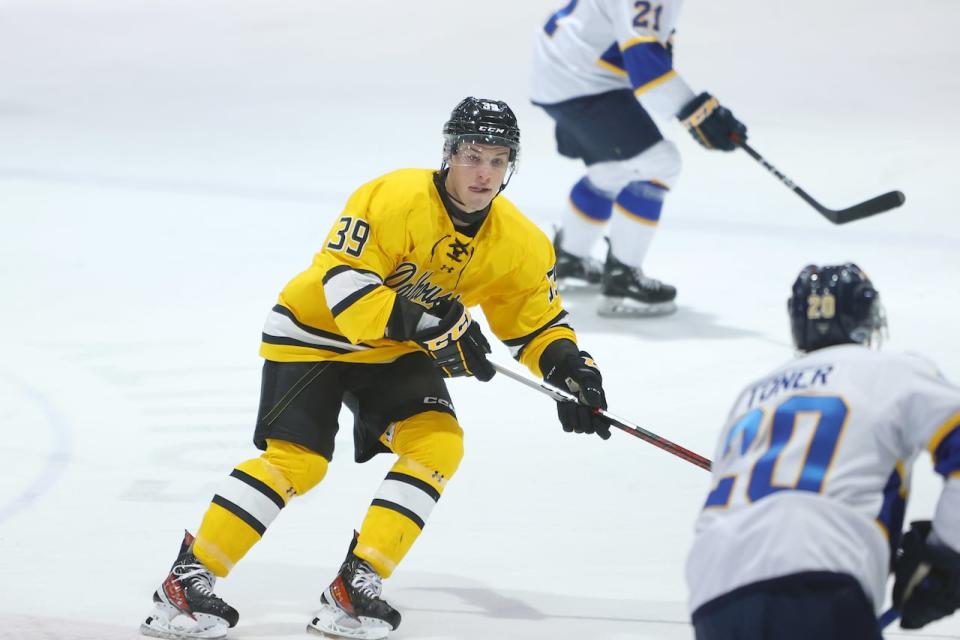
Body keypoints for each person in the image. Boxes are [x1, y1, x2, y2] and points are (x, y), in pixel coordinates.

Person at [139, 97, 612, 640]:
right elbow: (343, 283)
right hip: (313, 335)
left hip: (393, 353)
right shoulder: (392, 196)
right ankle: (186, 580)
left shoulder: (519, 242)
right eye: (474, 156)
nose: (485, 173)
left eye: (499, 160)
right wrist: (433, 325)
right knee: (300, 463)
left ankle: (356, 585)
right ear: (449, 155)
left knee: (438, 444)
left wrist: (572, 373)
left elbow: (537, 322)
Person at [685, 263, 960, 639]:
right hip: (820, 579)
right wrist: (947, 554)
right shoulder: (894, 370)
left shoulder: (751, 396)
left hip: (713, 595)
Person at [531, 0, 748, 316]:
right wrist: (699, 114)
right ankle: (623, 280)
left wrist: (696, 112)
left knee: (610, 170)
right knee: (661, 163)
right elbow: (646, 66)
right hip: (581, 80)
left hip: (560, 71)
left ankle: (568, 258)